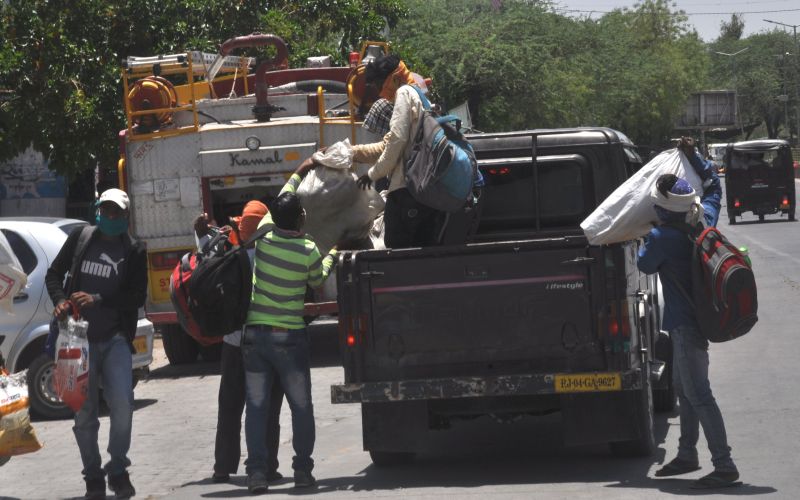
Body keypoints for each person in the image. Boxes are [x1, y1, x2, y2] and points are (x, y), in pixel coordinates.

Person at [637, 138, 740, 489]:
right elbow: (713, 189)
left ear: (664, 209)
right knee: (684, 389)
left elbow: (644, 265)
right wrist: (696, 155)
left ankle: (724, 465)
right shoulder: (702, 219)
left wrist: (647, 232)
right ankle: (686, 455)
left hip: (684, 324)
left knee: (697, 393)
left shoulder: (661, 237)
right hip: (702, 318)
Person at [242, 157, 338, 493]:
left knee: (255, 407)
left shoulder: (263, 237)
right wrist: (334, 252)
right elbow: (320, 279)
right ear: (301, 218)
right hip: (289, 338)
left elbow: (286, 190)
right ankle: (302, 472)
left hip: (254, 336)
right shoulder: (308, 249)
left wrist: (301, 169)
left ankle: (256, 473)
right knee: (301, 405)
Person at [45, 188, 146, 500]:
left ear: (126, 216)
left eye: (117, 212)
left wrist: (98, 298)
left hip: (114, 339)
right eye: (106, 211)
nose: (110, 217)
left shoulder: (134, 250)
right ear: (98, 211)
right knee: (84, 414)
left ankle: (118, 469)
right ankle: (92, 476)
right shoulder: (81, 238)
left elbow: (136, 296)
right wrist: (61, 301)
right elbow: (53, 275)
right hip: (77, 343)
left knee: (122, 405)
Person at [191, 202, 287, 485]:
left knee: (230, 407)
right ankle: (267, 465)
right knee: (269, 407)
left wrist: (201, 234)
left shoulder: (228, 255)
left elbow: (203, 257)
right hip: (267, 342)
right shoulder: (274, 257)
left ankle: (223, 466)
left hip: (234, 343)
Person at [355, 53, 443, 248]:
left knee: (396, 251)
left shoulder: (404, 93)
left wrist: (372, 174)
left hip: (406, 191)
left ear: (394, 78)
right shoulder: (419, 95)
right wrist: (351, 153)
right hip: (425, 191)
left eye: (379, 84)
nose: (379, 92)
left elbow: (397, 140)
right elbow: (387, 144)